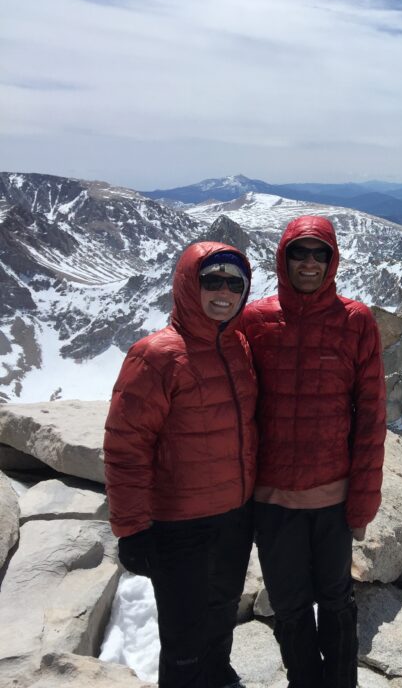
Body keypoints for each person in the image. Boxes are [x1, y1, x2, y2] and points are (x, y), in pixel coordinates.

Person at [240, 216, 386, 688]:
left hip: (333, 498)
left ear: (332, 260)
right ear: (283, 259)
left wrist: (364, 499)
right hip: (271, 498)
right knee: (290, 604)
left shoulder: (355, 320)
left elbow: (371, 416)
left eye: (319, 253)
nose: (309, 262)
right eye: (299, 253)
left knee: (337, 600)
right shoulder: (254, 320)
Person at [104, 242, 258, 688]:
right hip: (179, 523)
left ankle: (219, 675)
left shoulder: (239, 346)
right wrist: (132, 528)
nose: (224, 292)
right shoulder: (155, 355)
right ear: (190, 285)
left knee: (223, 607)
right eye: (212, 281)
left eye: (235, 283)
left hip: (235, 512)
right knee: (183, 630)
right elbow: (125, 446)